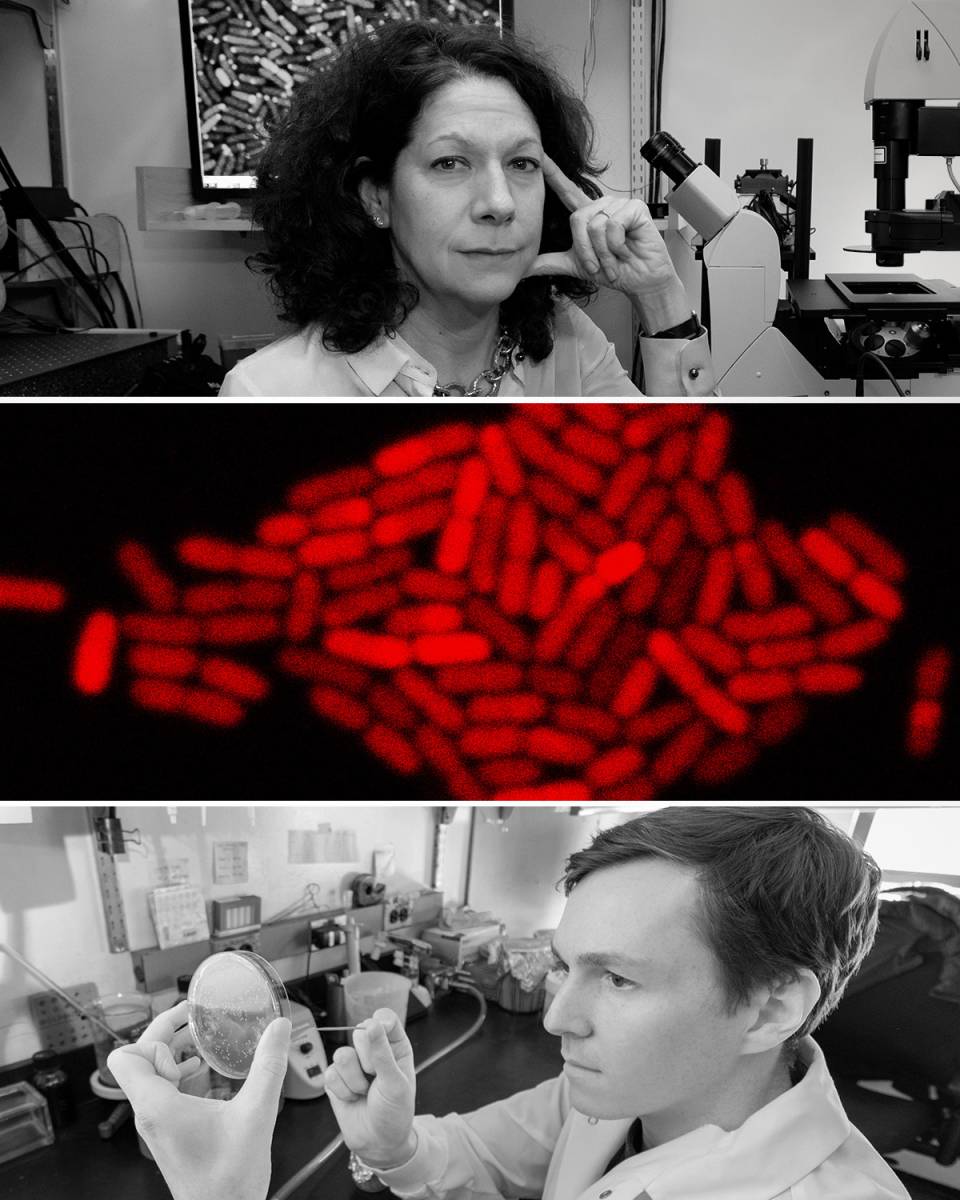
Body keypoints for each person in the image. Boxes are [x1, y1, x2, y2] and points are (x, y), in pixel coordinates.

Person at [111, 807, 909, 1200]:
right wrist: (393, 1148)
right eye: (565, 966)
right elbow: (492, 1156)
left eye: (619, 978)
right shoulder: (616, 1092)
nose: (559, 1016)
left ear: (772, 1010)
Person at [219, 20, 715, 397]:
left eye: (521, 163)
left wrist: (659, 296)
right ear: (377, 197)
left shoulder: (567, 343)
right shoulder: (268, 393)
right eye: (451, 163)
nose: (499, 203)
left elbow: (695, 503)